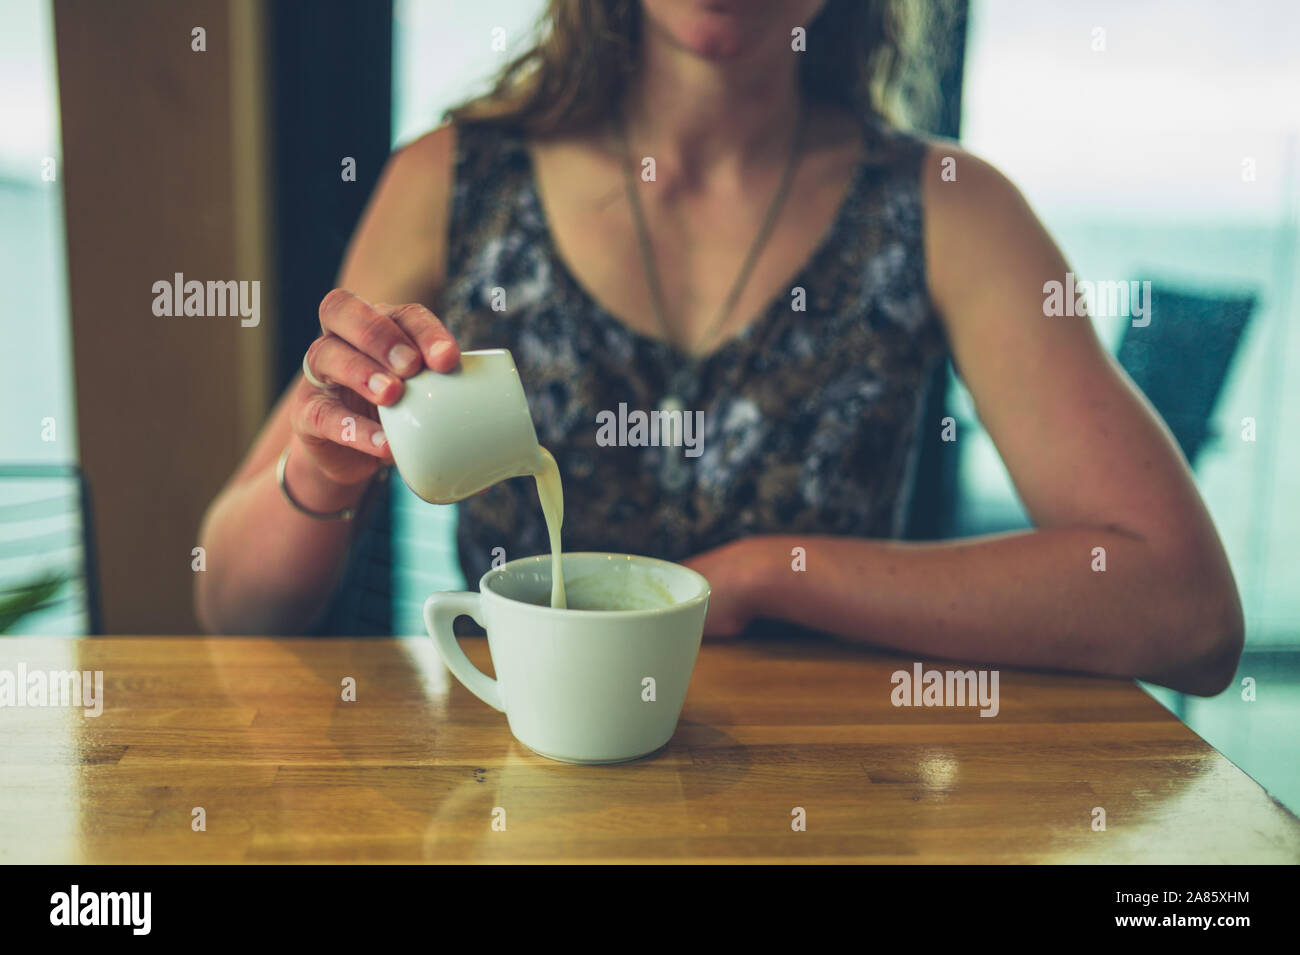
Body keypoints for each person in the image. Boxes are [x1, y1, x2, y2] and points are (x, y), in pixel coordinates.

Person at [195, 0, 1243, 696]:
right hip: (512, 795)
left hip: (831, 805)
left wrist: (768, 575)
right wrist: (317, 473)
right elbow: (230, 606)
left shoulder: (948, 211)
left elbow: (1185, 612)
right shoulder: (446, 180)